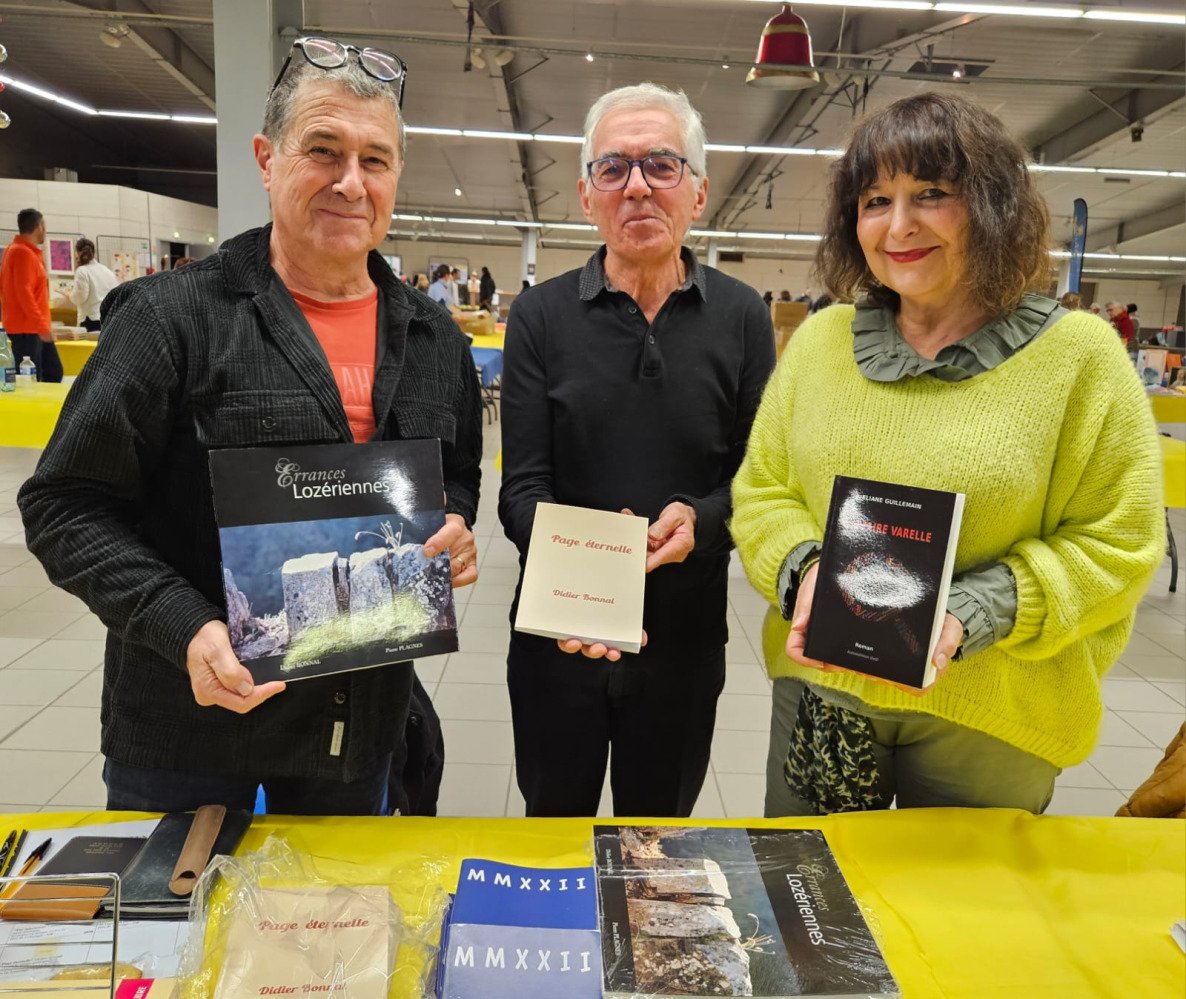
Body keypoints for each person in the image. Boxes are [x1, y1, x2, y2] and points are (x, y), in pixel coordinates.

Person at [18, 35, 483, 815]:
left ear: (396, 175)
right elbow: (64, 504)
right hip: (189, 728)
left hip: (354, 737)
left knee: (333, 935)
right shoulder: (171, 319)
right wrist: (186, 627)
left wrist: (456, 524)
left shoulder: (437, 344)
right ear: (267, 159)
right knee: (173, 934)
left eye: (375, 160)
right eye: (323, 149)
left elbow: (457, 472)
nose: (349, 181)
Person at [731, 91, 1162, 818]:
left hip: (992, 710)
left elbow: (1117, 542)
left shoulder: (1079, 358)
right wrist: (805, 570)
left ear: (993, 206)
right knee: (810, 902)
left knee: (963, 917)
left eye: (931, 194)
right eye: (875, 200)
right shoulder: (822, 343)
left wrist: (967, 611)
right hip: (829, 690)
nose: (899, 226)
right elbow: (764, 491)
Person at [499, 82, 775, 817]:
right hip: (559, 639)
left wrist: (702, 521)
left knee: (660, 848)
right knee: (555, 836)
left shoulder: (745, 318)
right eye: (613, 169)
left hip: (683, 646)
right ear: (587, 197)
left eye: (661, 165)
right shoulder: (540, 316)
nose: (638, 188)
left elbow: (757, 482)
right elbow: (520, 490)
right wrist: (584, 569)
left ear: (699, 191)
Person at [0, 209, 64, 382]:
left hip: (27, 326)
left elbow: (4, 288)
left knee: (50, 373)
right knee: (36, 378)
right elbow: (24, 293)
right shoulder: (23, 253)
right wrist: (41, 326)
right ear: (39, 227)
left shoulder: (15, 251)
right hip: (28, 328)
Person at [69, 238, 119, 333]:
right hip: (109, 319)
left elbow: (80, 297)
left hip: (91, 320)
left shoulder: (82, 271)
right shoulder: (107, 271)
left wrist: (70, 296)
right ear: (94, 252)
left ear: (77, 253)